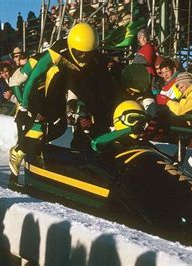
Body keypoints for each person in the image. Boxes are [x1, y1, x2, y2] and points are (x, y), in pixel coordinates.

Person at [8, 22, 114, 188]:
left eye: (87, 53)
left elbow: (80, 83)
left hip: (60, 88)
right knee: (34, 127)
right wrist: (23, 106)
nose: (83, 58)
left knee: (60, 126)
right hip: (34, 88)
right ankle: (18, 155)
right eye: (79, 53)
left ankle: (38, 150)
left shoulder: (92, 57)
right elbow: (23, 81)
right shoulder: (52, 56)